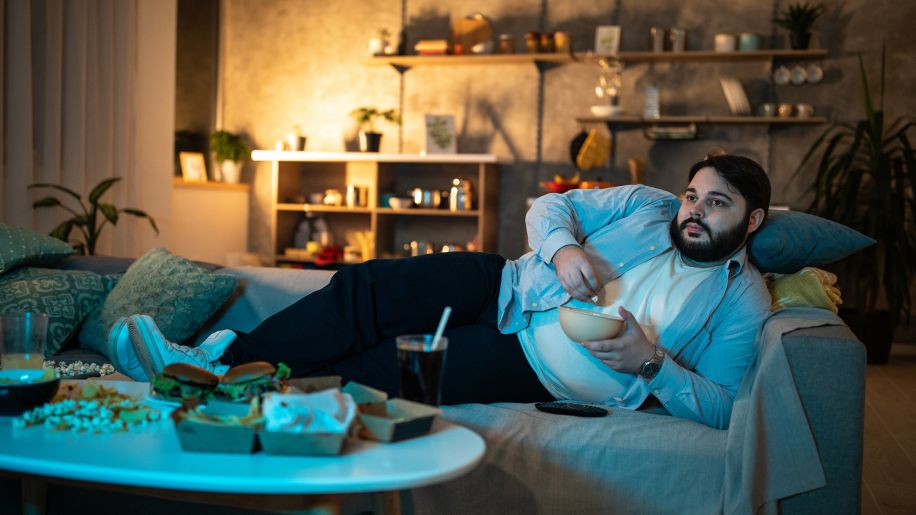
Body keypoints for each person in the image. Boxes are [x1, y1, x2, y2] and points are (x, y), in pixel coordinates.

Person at [109, 154, 772, 429]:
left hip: (531, 365)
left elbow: (723, 407)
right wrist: (564, 248)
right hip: (507, 285)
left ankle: (224, 390)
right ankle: (219, 360)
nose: (694, 210)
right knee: (365, 290)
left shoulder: (743, 301)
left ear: (752, 220)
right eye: (693, 194)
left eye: (716, 204)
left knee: (380, 368)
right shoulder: (647, 207)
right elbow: (548, 208)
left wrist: (651, 364)